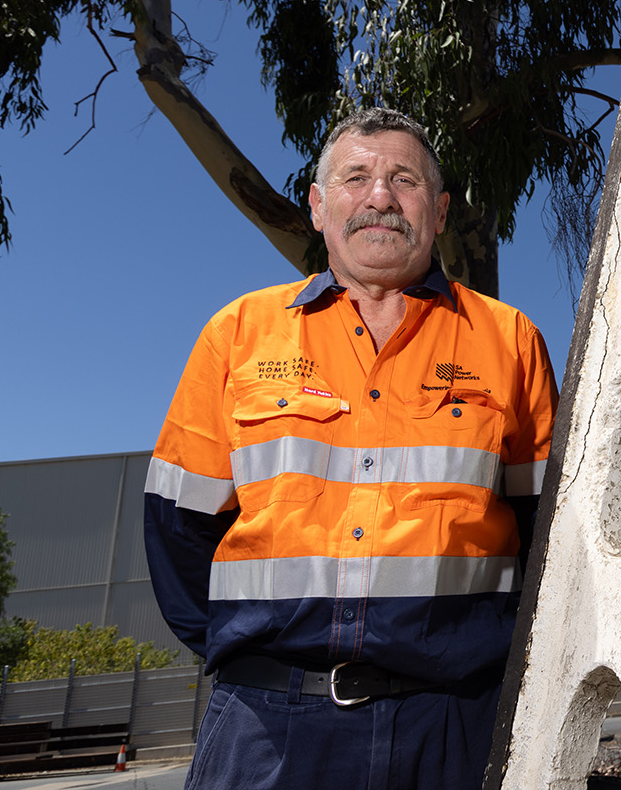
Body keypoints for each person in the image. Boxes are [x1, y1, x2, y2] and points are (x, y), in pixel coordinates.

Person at [144, 108, 558, 790]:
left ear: (441, 208)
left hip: (454, 728)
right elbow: (176, 530)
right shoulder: (237, 336)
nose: (380, 197)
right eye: (356, 177)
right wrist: (265, 662)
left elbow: (545, 538)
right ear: (316, 205)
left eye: (405, 179)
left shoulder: (510, 341)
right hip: (263, 728)